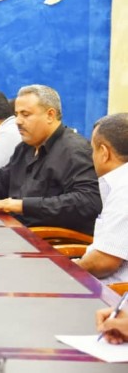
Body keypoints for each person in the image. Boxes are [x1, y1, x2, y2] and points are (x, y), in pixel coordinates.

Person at [0, 85, 101, 235]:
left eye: (25, 115)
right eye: (16, 114)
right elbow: (0, 183)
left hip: (48, 240)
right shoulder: (26, 147)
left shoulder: (75, 151)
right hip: (14, 230)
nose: (17, 121)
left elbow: (88, 201)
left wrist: (22, 205)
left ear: (50, 115)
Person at [77, 113, 128, 283]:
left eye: (93, 150)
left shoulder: (124, 189)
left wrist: (68, 270)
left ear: (104, 153)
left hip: (112, 293)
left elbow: (103, 262)